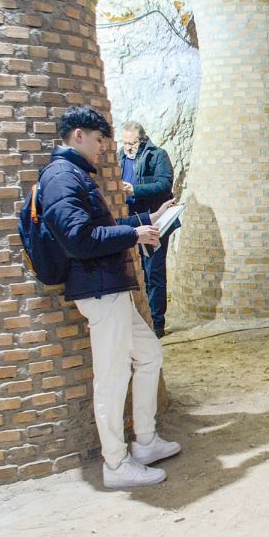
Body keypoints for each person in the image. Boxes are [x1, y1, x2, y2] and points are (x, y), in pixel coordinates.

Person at [41, 106, 183, 489]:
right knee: (112, 376)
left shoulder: (74, 175)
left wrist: (146, 220)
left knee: (150, 355)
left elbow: (99, 228)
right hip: (98, 289)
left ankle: (146, 442)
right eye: (101, 139)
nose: (105, 148)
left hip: (110, 286)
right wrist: (133, 236)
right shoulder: (60, 177)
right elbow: (79, 239)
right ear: (78, 136)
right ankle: (116, 465)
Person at [119, 121, 175, 339]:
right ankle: (143, 319)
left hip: (155, 221)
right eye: (124, 143)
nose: (128, 148)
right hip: (133, 220)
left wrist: (135, 190)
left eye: (131, 144)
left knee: (155, 271)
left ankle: (157, 323)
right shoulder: (120, 157)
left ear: (142, 141)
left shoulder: (157, 156)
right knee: (139, 269)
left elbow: (164, 184)